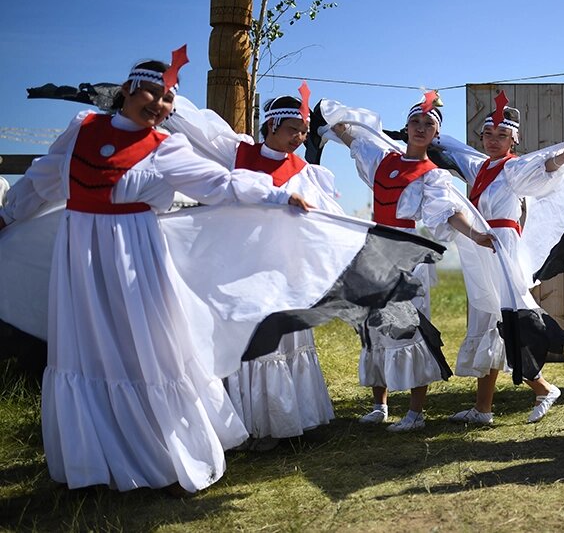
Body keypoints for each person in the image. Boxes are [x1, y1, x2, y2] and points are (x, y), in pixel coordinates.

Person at [0, 56, 311, 494]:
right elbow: (42, 180)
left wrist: (278, 195)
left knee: (147, 349)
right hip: (80, 263)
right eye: (153, 93)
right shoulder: (83, 128)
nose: (160, 105)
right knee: (88, 350)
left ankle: (162, 455)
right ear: (127, 89)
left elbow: (220, 183)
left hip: (137, 261)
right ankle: (96, 460)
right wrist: (8, 216)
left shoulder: (166, 148)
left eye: (168, 99)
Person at [165, 89, 339, 451]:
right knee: (242, 340)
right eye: (294, 129)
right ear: (271, 125)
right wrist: (168, 101)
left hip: (278, 268)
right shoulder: (237, 152)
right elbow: (196, 126)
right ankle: (247, 424)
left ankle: (287, 420)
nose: (300, 137)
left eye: (304, 131)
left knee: (277, 340)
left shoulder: (306, 172)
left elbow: (323, 219)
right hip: (236, 263)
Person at [326, 92, 494, 432]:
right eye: (415, 122)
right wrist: (332, 120)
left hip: (407, 258)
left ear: (435, 135)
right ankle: (379, 405)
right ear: (406, 128)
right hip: (373, 252)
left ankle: (416, 413)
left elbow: (450, 212)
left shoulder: (433, 176)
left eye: (428, 124)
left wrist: (476, 235)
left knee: (410, 330)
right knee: (374, 329)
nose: (420, 128)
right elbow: (352, 140)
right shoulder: (382, 159)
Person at [439, 98, 564, 425]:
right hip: (482, 247)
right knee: (490, 322)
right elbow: (453, 150)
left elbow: (544, 167)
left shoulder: (515, 167)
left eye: (501, 135)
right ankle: (484, 408)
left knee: (504, 321)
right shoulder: (480, 167)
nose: (493, 139)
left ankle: (543, 389)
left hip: (502, 249)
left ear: (514, 140)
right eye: (488, 133)